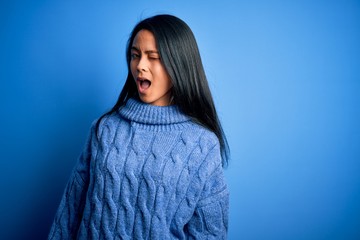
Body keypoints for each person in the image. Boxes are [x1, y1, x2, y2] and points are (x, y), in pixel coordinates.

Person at [48, 14, 230, 239]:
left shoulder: (202, 144)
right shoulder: (104, 129)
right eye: (135, 56)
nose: (140, 66)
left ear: (178, 63)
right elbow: (70, 210)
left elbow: (210, 233)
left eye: (152, 57)